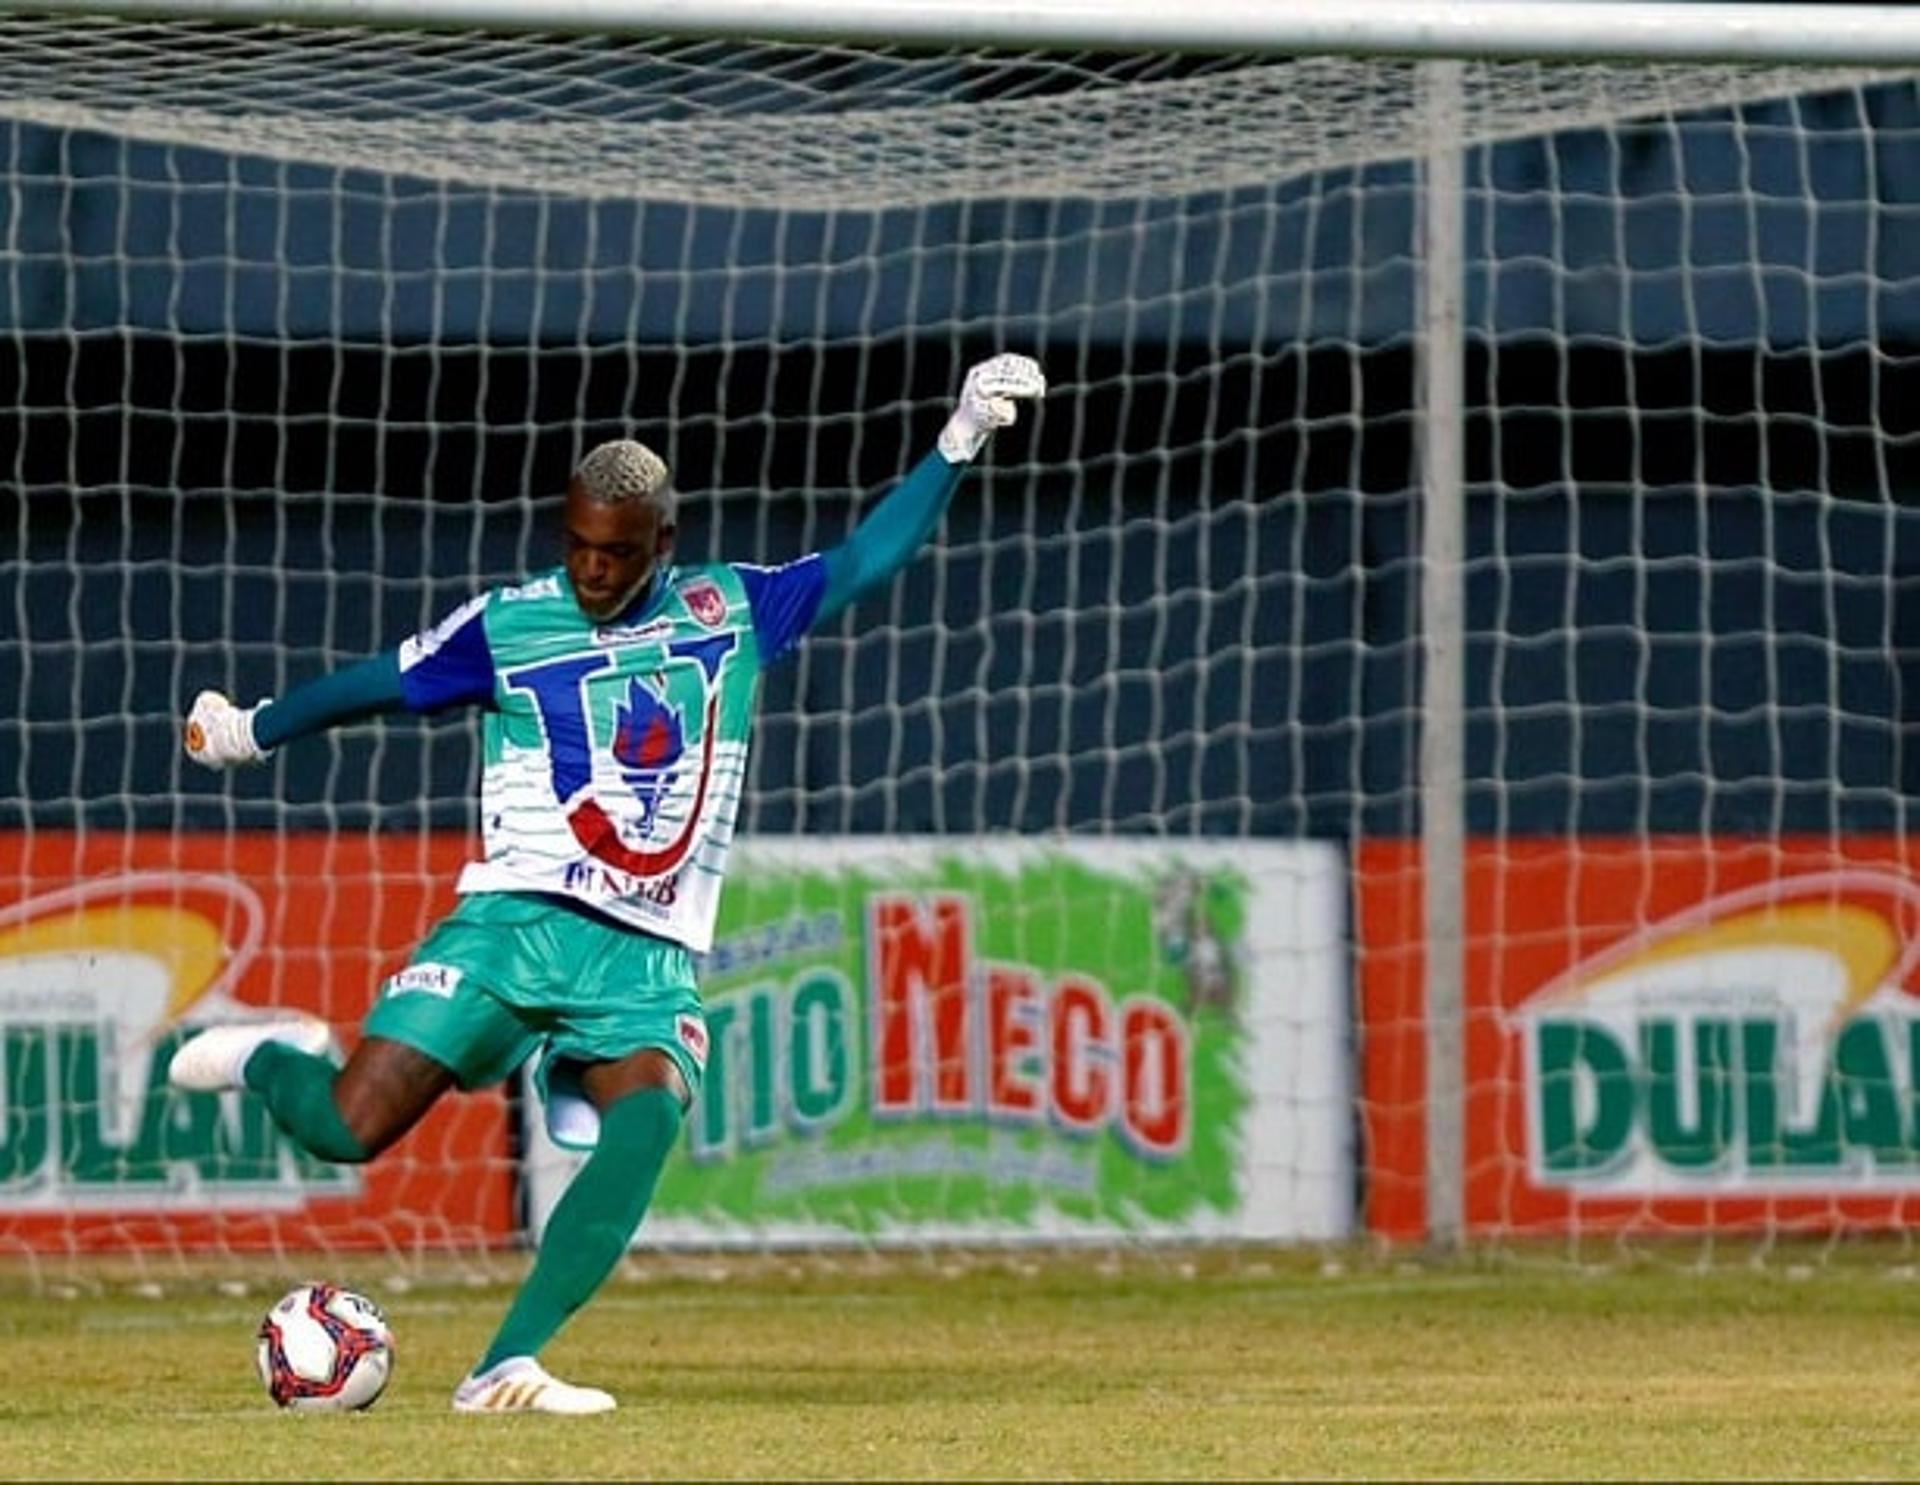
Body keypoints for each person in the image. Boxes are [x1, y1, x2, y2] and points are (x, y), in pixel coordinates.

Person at [171, 353, 1046, 1415]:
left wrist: (960, 440)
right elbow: (378, 687)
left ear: (663, 544)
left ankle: (506, 1363)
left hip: (643, 956)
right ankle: (280, 1055)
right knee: (345, 1128)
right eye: (578, 547)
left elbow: (867, 557)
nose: (593, 570)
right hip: (510, 926)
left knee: (650, 1115)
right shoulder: (508, 624)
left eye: (617, 553)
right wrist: (247, 732)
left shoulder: (734, 610)